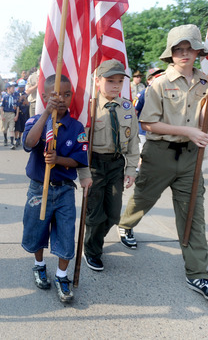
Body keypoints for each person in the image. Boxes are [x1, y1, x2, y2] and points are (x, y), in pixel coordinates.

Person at [117, 24, 208, 302]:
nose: (184, 54)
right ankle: (125, 225)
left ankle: (198, 274)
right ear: (171, 54)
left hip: (191, 157)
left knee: (193, 213)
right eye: (179, 49)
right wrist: (188, 131)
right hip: (160, 154)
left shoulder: (205, 81)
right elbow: (148, 123)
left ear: (198, 52)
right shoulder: (158, 83)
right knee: (143, 198)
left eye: (190, 48)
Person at [21, 74, 91, 303]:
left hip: (64, 190)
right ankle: (39, 265)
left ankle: (62, 276)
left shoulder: (76, 126)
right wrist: (44, 114)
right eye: (55, 94)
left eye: (66, 94)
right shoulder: (35, 121)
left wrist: (58, 159)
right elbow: (29, 143)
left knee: (65, 233)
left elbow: (80, 159)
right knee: (36, 229)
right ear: (44, 97)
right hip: (38, 189)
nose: (61, 98)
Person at [78, 60, 139, 271]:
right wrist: (83, 172)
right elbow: (81, 145)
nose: (115, 85)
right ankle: (92, 250)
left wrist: (131, 169)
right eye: (110, 80)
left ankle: (95, 239)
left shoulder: (127, 107)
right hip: (94, 164)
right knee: (95, 214)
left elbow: (133, 142)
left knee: (113, 214)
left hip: (116, 164)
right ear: (97, 81)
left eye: (120, 81)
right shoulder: (90, 108)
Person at [0, 82, 18, 149]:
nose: (14, 89)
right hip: (6, 113)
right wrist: (2, 115)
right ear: (8, 88)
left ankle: (12, 143)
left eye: (14, 87)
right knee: (4, 128)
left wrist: (16, 115)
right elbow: (1, 107)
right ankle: (5, 139)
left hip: (12, 114)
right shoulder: (4, 97)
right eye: (12, 87)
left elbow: (17, 107)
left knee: (11, 129)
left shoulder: (15, 97)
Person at [14, 80, 30, 147]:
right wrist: (19, 99)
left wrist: (25, 98)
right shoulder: (15, 94)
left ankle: (20, 138)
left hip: (24, 112)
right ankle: (16, 138)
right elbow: (15, 102)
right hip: (17, 112)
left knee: (22, 127)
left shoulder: (25, 94)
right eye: (20, 87)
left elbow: (28, 104)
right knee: (17, 126)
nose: (21, 88)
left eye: (23, 87)